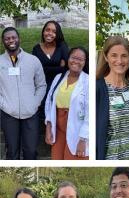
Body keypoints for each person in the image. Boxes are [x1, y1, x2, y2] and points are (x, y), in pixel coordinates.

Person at [0, 27, 47, 160]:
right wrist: (4, 105)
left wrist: (34, 103)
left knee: (31, 151)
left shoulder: (33, 60)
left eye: (13, 37)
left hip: (30, 114)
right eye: (7, 38)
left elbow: (41, 85)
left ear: (19, 38)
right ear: (3, 41)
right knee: (12, 152)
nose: (11, 40)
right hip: (9, 114)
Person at [96, 36, 129, 160]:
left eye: (124, 56)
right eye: (114, 55)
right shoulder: (97, 89)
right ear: (106, 57)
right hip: (112, 158)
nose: (119, 61)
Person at [44, 47, 89, 160]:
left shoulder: (88, 82)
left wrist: (83, 139)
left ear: (85, 62)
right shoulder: (59, 78)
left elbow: (91, 113)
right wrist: (49, 127)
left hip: (77, 131)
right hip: (58, 129)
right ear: (68, 58)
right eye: (73, 57)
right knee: (57, 158)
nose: (76, 61)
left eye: (80, 59)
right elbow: (49, 103)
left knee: (73, 159)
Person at [31, 20, 69, 105]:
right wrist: (59, 67)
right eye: (47, 30)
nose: (50, 33)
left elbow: (67, 68)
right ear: (43, 31)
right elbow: (35, 70)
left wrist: (44, 68)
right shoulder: (36, 49)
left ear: (57, 34)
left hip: (59, 87)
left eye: (54, 31)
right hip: (40, 87)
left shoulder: (62, 46)